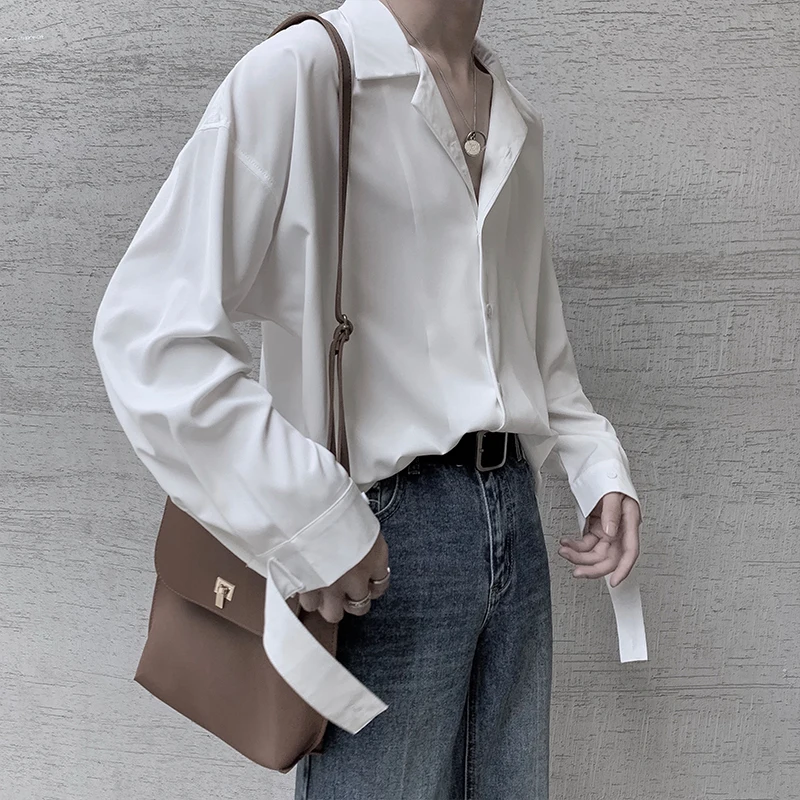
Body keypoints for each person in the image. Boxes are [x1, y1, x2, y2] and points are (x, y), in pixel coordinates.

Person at [92, 0, 647, 796]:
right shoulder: (304, 74)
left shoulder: (513, 116)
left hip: (515, 529)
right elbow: (150, 333)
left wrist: (597, 467)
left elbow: (529, 339)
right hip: (380, 540)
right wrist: (312, 519)